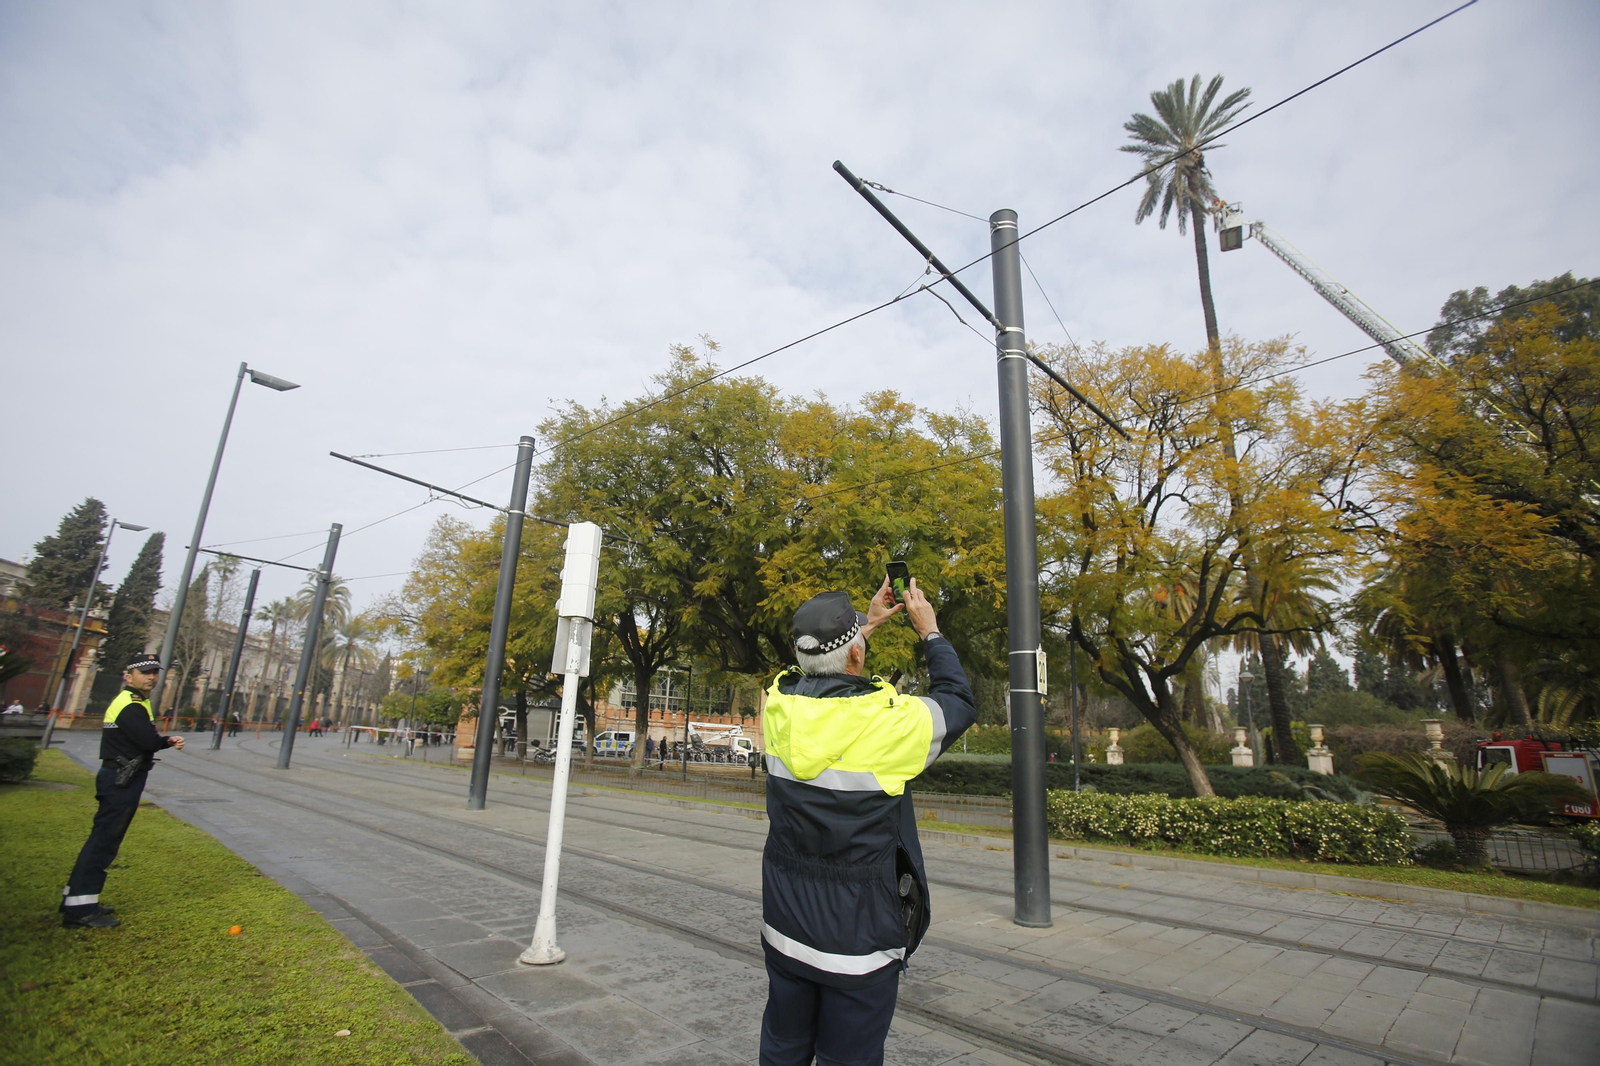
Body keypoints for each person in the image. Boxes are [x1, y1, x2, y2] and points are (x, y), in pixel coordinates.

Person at [758, 576, 977, 1066]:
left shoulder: (776, 710)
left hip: (786, 927)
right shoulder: (891, 724)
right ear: (855, 656)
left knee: (782, 1048)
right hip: (857, 943)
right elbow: (959, 703)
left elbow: (819, 675)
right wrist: (931, 633)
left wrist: (865, 628)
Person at [60, 653, 185, 928]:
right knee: (104, 841)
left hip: (118, 776)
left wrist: (161, 740)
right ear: (129, 676)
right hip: (121, 779)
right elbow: (147, 741)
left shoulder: (135, 702)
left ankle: (78, 899)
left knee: (101, 839)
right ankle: (79, 912)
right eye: (145, 672)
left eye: (154, 671)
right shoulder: (131, 705)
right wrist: (165, 741)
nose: (151, 677)